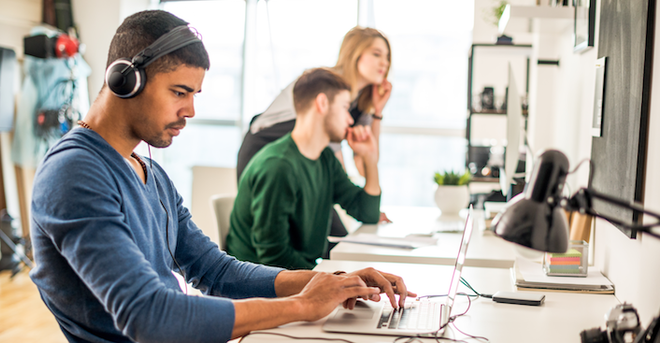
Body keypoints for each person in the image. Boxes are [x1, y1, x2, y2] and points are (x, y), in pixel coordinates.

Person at [29, 10, 414, 343]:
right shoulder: (74, 173)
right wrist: (303, 306)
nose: (191, 110)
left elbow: (216, 271)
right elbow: (150, 318)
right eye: (180, 92)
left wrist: (334, 281)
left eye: (195, 94)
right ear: (127, 80)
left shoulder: (151, 173)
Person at [237, 26, 393, 248]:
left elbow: (363, 163)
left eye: (387, 57)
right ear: (355, 54)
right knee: (315, 235)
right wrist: (351, 198)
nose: (384, 63)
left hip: (307, 157)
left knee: (331, 239)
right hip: (267, 148)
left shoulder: (359, 100)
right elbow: (329, 150)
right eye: (376, 54)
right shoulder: (328, 86)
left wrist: (377, 111)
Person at [226, 68, 382, 270]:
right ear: (322, 103)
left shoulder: (324, 159)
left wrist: (370, 159)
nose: (350, 120)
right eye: (345, 107)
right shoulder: (278, 166)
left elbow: (366, 212)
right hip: (260, 287)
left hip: (294, 279)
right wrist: (328, 281)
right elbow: (274, 257)